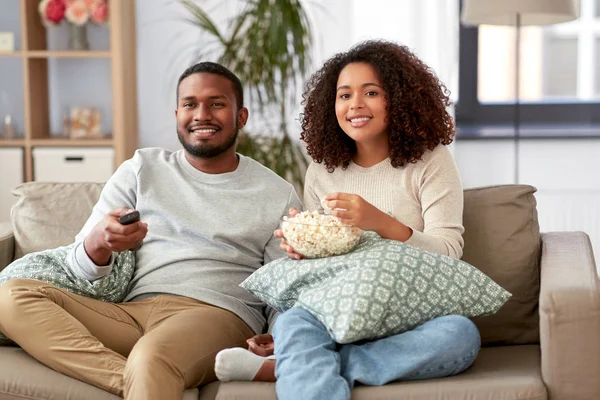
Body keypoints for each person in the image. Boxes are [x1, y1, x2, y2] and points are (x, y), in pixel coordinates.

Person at [0, 62, 301, 400]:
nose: (201, 114)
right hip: (132, 313)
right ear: (177, 114)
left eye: (216, 103)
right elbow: (79, 267)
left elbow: (286, 284)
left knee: (151, 357)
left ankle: (151, 375)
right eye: (190, 104)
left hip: (216, 315)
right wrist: (99, 242)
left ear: (240, 116)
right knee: (10, 296)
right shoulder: (142, 168)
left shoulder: (277, 193)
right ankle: (145, 382)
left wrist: (280, 334)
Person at [214, 40, 481, 400]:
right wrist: (302, 246)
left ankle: (301, 365)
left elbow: (449, 254)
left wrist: (378, 221)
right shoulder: (323, 171)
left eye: (371, 92)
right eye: (344, 95)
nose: (355, 104)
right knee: (294, 322)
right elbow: (321, 270)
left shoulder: (431, 161)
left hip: (410, 312)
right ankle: (302, 358)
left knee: (460, 337)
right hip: (338, 308)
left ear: (399, 99)